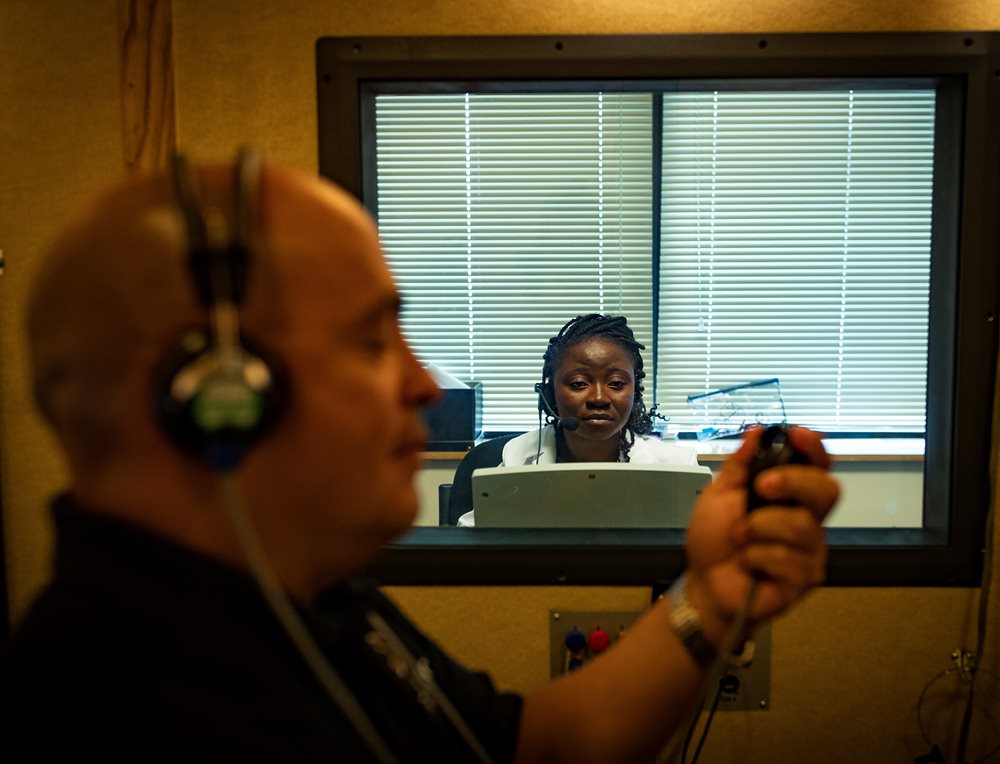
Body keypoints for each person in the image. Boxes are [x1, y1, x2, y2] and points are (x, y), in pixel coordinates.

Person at [2, 153, 840, 762]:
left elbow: (526, 748)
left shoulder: (306, 601)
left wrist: (710, 598)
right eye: (371, 340)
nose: (421, 381)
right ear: (219, 391)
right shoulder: (130, 705)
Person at [456, 313, 698, 526]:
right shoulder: (517, 457)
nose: (599, 398)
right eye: (579, 384)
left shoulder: (678, 467)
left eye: (616, 384)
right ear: (551, 393)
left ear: (635, 389)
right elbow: (471, 539)